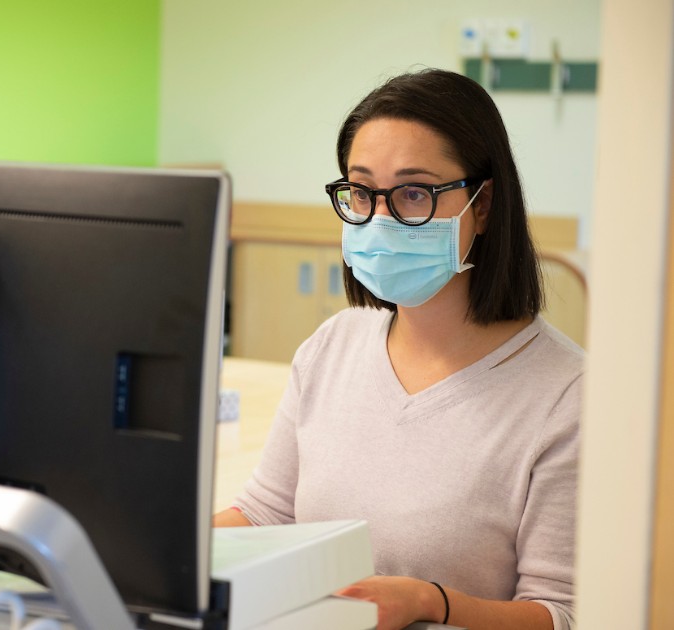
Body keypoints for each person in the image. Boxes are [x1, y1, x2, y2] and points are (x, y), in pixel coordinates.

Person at [213, 68, 582, 630]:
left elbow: (561, 613)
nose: (379, 219)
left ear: (482, 206)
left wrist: (432, 602)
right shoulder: (332, 345)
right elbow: (267, 514)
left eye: (413, 193)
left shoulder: (567, 394)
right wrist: (151, 549)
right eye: (361, 192)